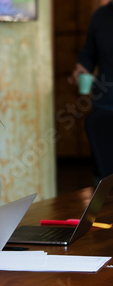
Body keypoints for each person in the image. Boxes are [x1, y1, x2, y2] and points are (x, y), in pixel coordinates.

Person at [69, 1, 113, 181]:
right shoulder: (100, 16)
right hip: (104, 108)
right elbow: (88, 53)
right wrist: (81, 70)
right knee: (104, 179)